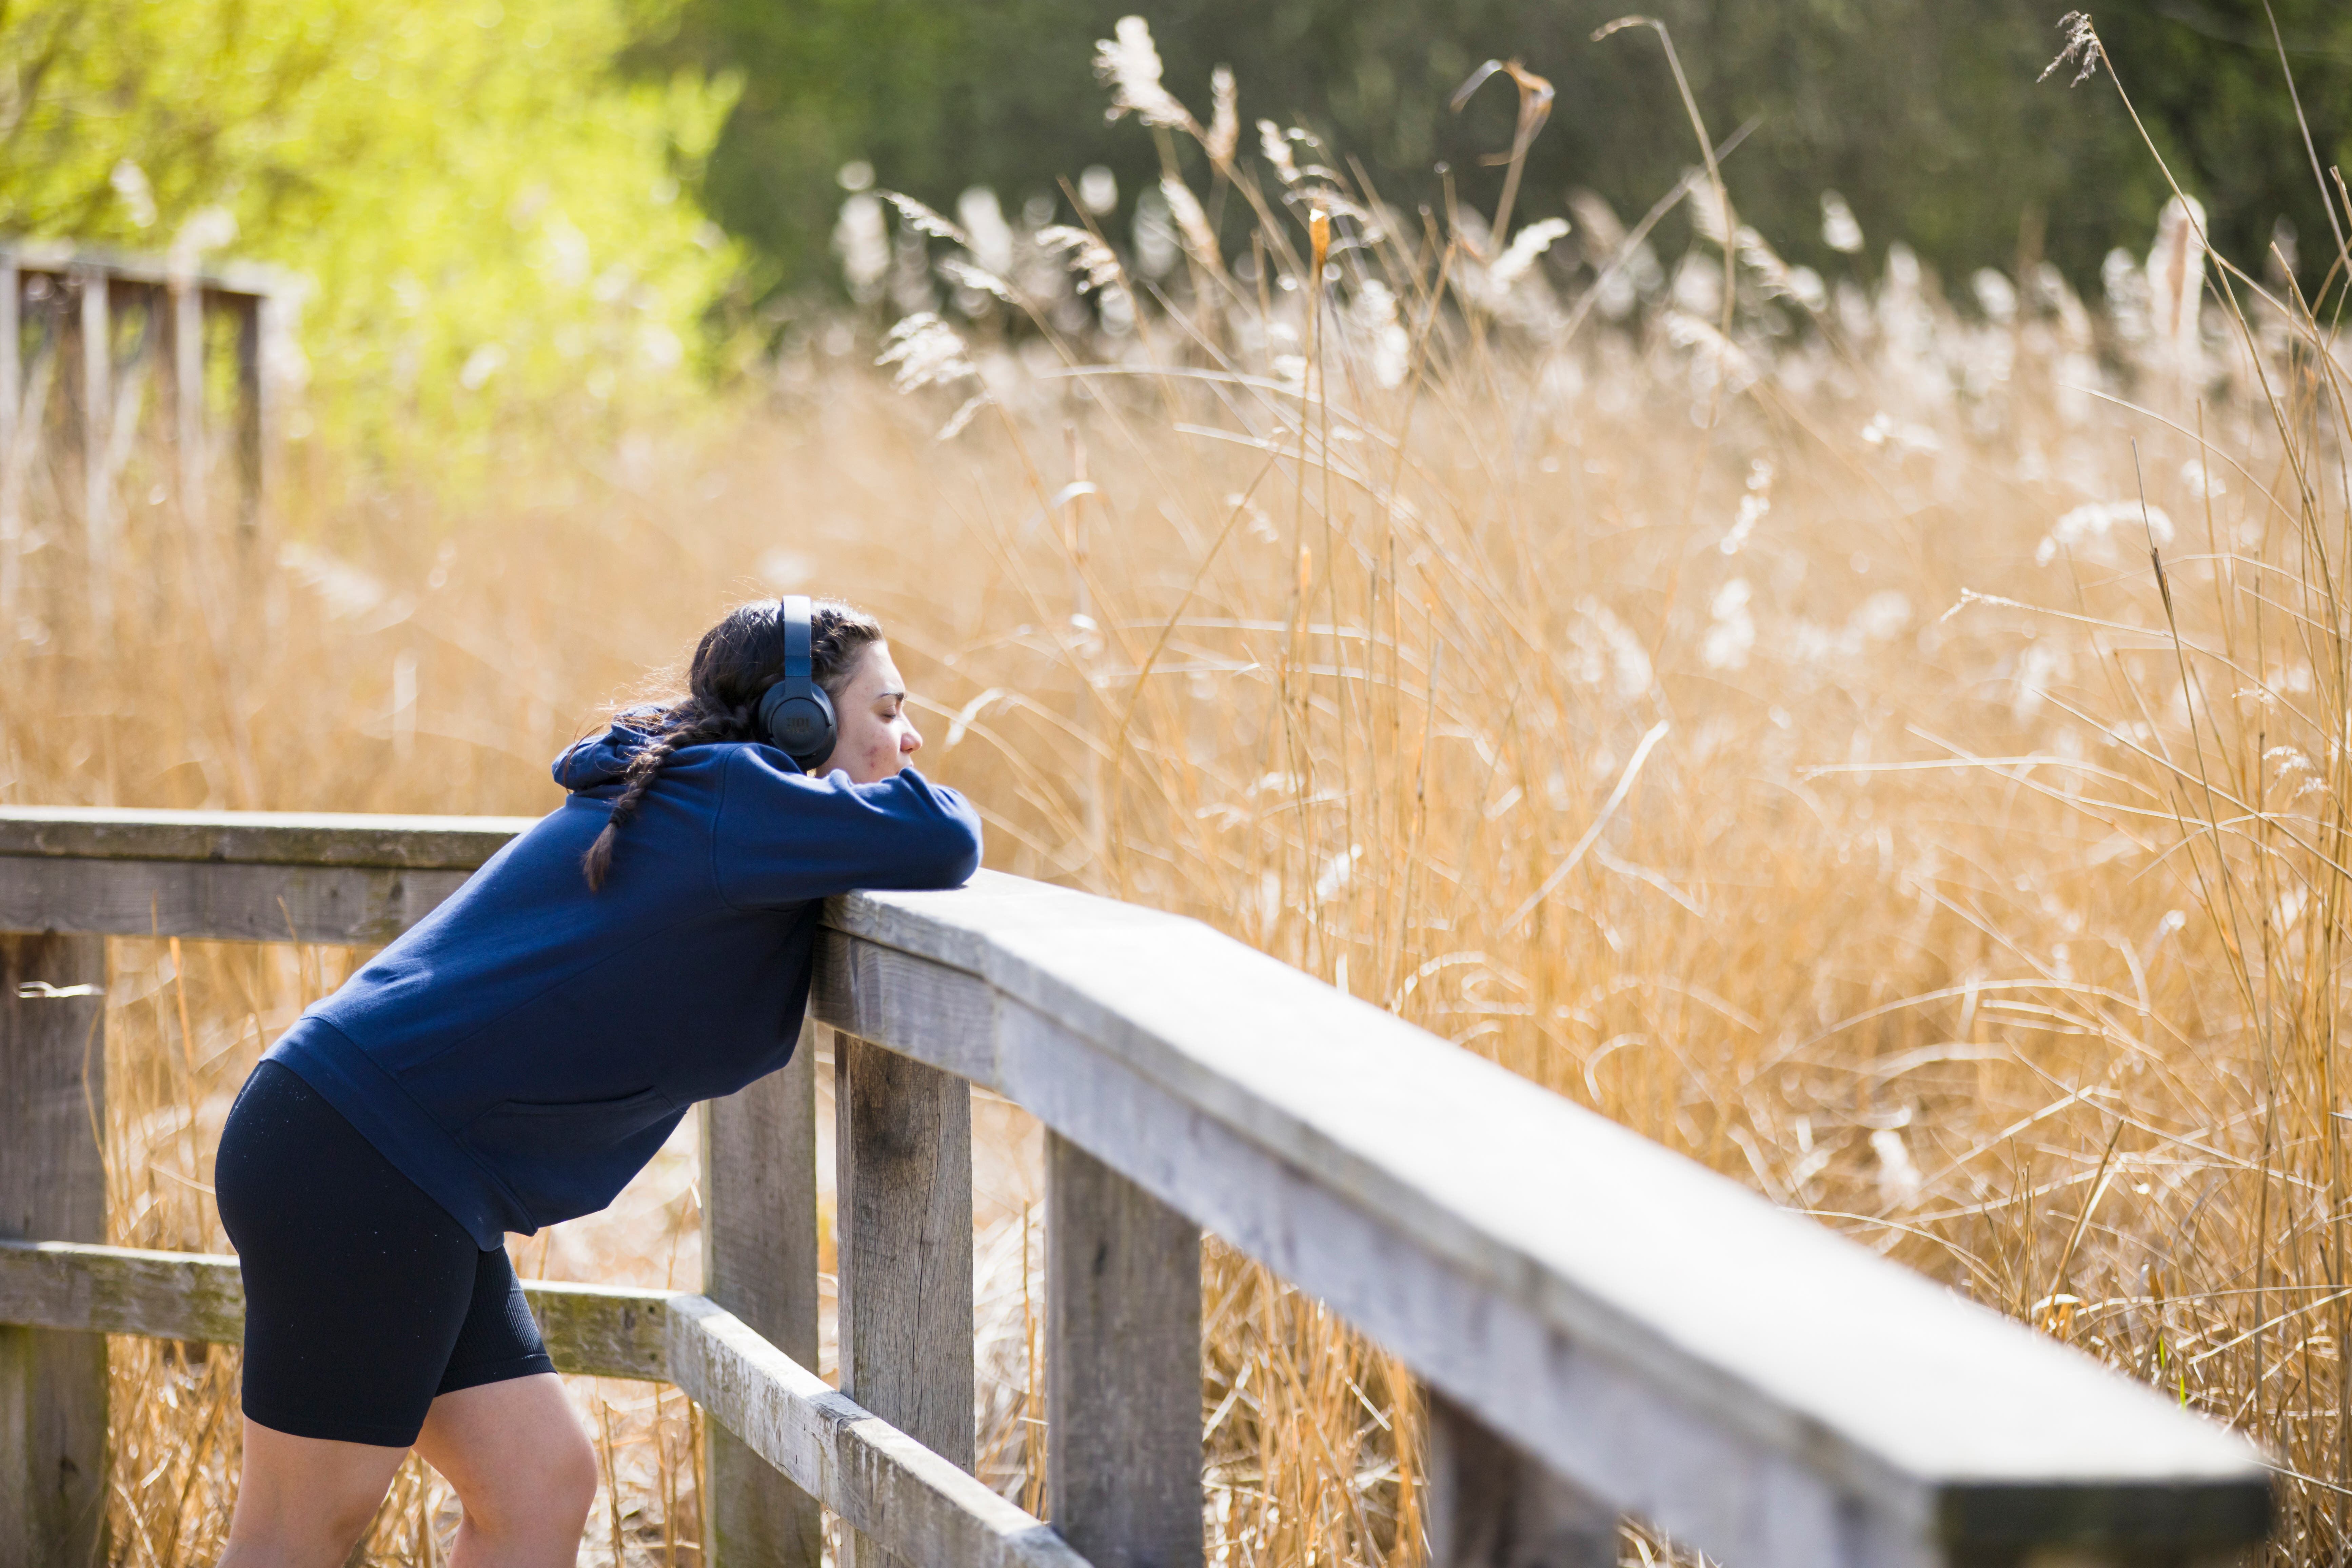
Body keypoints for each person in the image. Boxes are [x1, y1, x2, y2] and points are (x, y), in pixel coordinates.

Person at [212, 596, 982, 1567]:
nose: (909, 735)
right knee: (298, 1532)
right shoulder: (729, 795)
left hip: (393, 1164)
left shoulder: (718, 807)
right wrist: (849, 789)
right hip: (359, 1158)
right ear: (800, 719)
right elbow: (941, 833)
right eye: (884, 710)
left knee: (538, 1485)